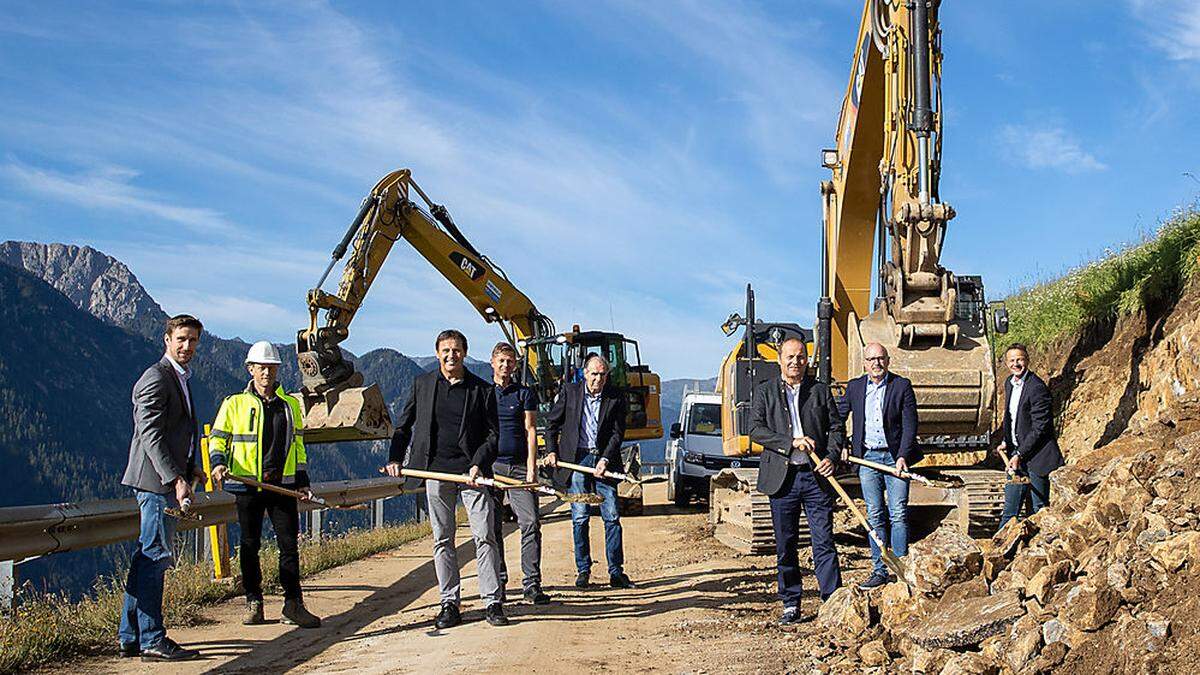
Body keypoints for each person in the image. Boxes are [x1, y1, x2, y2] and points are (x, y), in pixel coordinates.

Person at [384, 330, 507, 628]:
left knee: (484, 536)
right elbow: (404, 426)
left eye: (456, 350)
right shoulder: (423, 385)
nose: (451, 355)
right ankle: (449, 603)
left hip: (472, 475)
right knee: (442, 539)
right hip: (434, 472)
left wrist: (479, 463)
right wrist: (395, 458)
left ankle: (492, 602)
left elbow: (493, 434)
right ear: (437, 353)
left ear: (464, 353)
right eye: (445, 350)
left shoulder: (482, 389)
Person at [208, 341, 321, 629]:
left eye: (271, 367)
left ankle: (293, 604)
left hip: (281, 486)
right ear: (251, 369)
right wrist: (219, 462)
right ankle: (253, 601)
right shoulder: (234, 403)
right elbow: (218, 439)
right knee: (250, 545)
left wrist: (303, 481)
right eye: (261, 368)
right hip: (247, 486)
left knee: (289, 546)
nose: (266, 373)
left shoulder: (290, 405)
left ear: (277, 370)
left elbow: (298, 447)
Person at [118, 314, 205, 661]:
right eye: (181, 339)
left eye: (193, 341)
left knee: (145, 557)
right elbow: (151, 435)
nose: (187, 347)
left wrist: (189, 467)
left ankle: (130, 635)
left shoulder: (179, 378)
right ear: (167, 339)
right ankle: (152, 639)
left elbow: (174, 433)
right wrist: (176, 479)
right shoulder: (156, 377)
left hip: (164, 480)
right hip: (156, 484)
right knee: (155, 557)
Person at [749, 337, 844, 625]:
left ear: (807, 360)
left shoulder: (820, 391)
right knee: (786, 543)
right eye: (790, 357)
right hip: (783, 479)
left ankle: (832, 600)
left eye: (801, 357)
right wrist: (790, 443)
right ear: (780, 360)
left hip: (816, 479)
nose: (795, 362)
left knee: (824, 541)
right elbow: (755, 429)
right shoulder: (765, 392)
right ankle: (791, 602)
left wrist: (831, 456)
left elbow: (836, 428)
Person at [543, 353, 632, 589]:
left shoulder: (615, 397)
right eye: (594, 374)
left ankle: (616, 572)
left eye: (603, 375)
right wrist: (552, 451)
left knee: (611, 516)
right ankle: (583, 571)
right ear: (585, 373)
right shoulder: (570, 392)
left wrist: (604, 459)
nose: (598, 379)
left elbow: (617, 433)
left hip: (604, 461)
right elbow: (551, 424)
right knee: (580, 516)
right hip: (576, 459)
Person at [837, 342, 920, 590]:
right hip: (868, 459)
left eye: (880, 358)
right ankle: (879, 569)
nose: (876, 363)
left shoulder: (901, 386)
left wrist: (903, 456)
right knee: (874, 515)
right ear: (864, 363)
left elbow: (910, 425)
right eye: (871, 359)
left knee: (898, 513)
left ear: (888, 360)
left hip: (895, 458)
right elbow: (837, 418)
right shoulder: (854, 387)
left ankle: (901, 569)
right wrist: (842, 444)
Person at [489, 342, 551, 605]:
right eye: (501, 361)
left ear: (516, 365)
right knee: (492, 528)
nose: (505, 366)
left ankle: (531, 584)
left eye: (510, 361)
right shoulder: (484, 393)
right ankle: (498, 582)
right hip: (490, 467)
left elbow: (530, 430)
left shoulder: (525, 394)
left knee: (530, 523)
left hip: (517, 467)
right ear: (492, 362)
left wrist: (531, 468)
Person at [997, 343, 1064, 529]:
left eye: (1020, 359)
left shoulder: (1036, 387)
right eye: (1012, 360)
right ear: (1006, 363)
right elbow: (1011, 418)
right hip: (1017, 457)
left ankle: (1039, 553)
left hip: (1037, 457)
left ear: (1027, 360)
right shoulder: (1010, 384)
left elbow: (1040, 427)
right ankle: (1001, 553)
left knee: (1038, 509)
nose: (1016, 364)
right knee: (1010, 512)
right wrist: (1006, 442)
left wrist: (1019, 453)